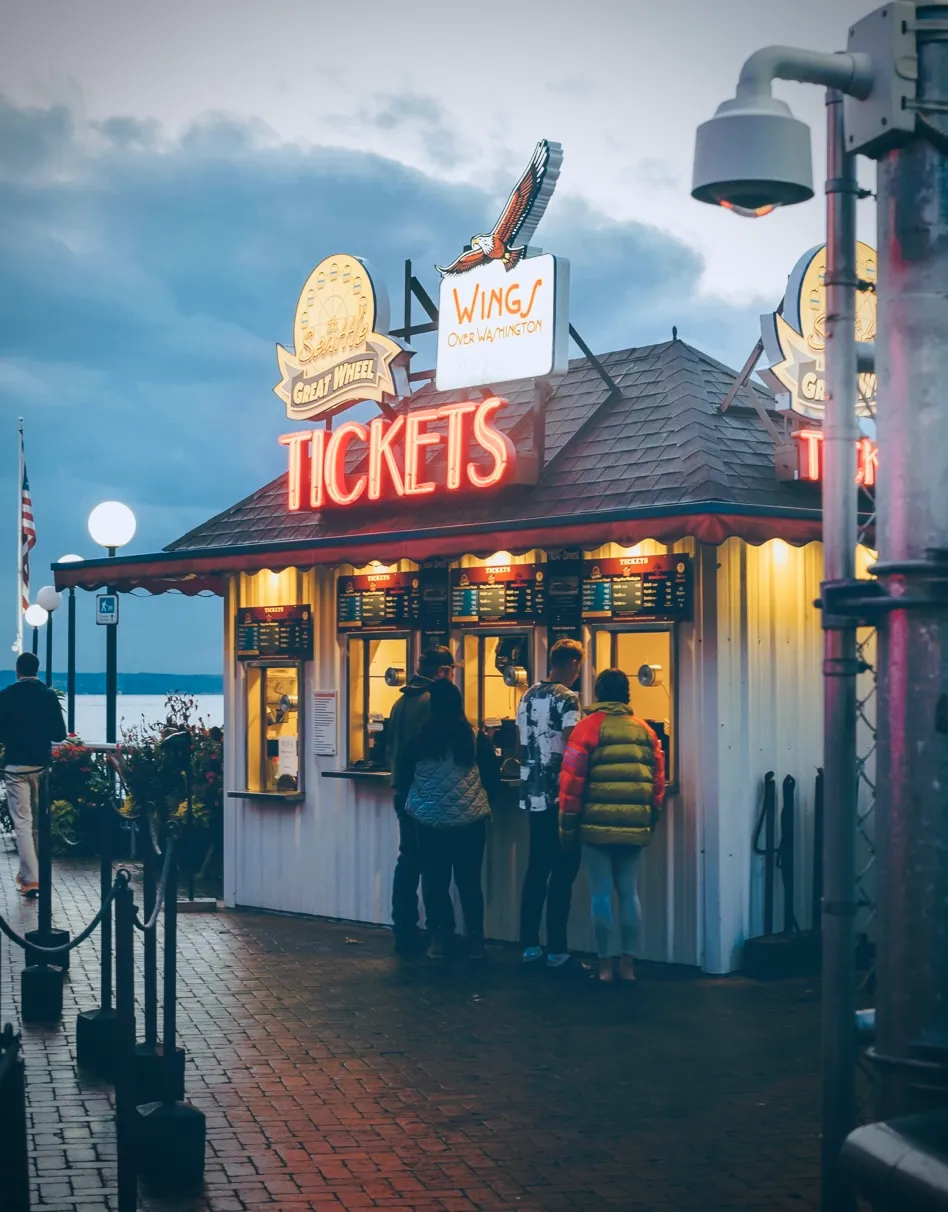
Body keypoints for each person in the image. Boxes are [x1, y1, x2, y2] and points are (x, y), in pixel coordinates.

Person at [559, 668, 666, 983]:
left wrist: (567, 828)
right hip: (634, 827)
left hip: (595, 827)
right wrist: (650, 819)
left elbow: (571, 784)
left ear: (598, 693)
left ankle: (606, 968)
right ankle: (629, 967)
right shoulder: (646, 731)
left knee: (601, 895)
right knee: (629, 893)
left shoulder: (586, 729)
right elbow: (657, 784)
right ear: (627, 695)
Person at [401, 678, 499, 960]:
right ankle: (476, 939)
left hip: (429, 822)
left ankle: (440, 937)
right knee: (469, 882)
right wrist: (482, 800)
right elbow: (492, 777)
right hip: (470, 822)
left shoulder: (420, 738)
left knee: (435, 882)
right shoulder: (473, 737)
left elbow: (406, 777)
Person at [516, 638, 585, 969]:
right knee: (562, 873)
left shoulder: (527, 695)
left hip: (532, 796)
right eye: (579, 667)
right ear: (572, 663)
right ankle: (557, 949)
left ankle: (529, 945)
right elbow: (575, 744)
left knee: (535, 870)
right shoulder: (568, 698)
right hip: (560, 797)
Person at [388, 645, 457, 955]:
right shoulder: (433, 702)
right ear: (441, 671)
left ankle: (403, 927)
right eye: (451, 671)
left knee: (408, 860)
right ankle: (438, 932)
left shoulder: (400, 702)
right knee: (432, 864)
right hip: (425, 791)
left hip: (401, 790)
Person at [0, 651, 67, 898]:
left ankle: (31, 878)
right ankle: (37, 874)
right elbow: (60, 734)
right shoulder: (48, 696)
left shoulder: (5, 696)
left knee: (23, 823)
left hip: (15, 766)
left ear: (18, 670)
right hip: (41, 766)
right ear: (36, 670)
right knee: (39, 823)